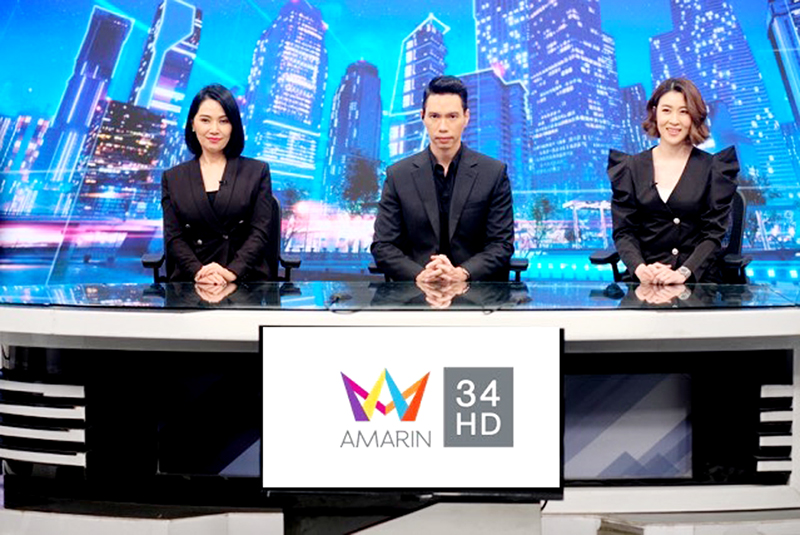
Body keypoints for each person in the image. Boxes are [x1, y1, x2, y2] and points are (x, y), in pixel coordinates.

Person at [371, 75, 515, 282]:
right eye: (435, 116)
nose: (443, 127)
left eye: (452, 116)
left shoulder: (493, 173)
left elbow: (501, 244)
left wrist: (462, 273)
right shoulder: (398, 175)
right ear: (423, 117)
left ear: (466, 117)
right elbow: (383, 245)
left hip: (477, 291)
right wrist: (420, 275)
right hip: (414, 291)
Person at [609, 77, 739, 284]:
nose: (674, 120)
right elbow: (624, 232)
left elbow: (713, 235)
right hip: (645, 279)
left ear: (694, 116)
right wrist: (641, 269)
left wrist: (682, 273)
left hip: (696, 280)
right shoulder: (630, 168)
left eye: (684, 111)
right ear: (655, 113)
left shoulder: (713, 168)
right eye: (666, 110)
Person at [162, 84, 273, 283]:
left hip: (245, 278)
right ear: (193, 124)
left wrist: (231, 273)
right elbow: (174, 237)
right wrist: (199, 272)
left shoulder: (258, 172)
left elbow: (260, 232)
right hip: (192, 278)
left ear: (233, 126)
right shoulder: (172, 178)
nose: (214, 130)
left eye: (224, 121)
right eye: (205, 120)